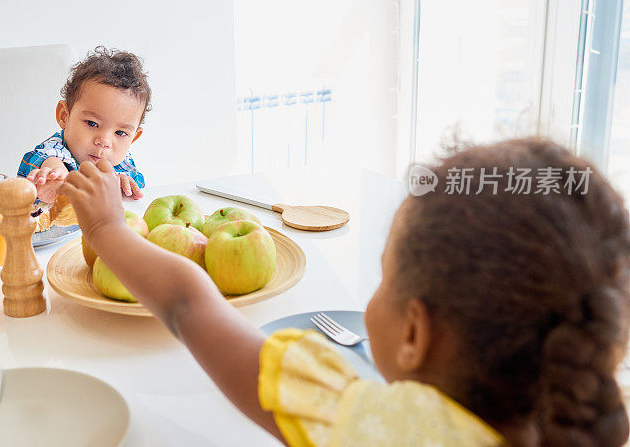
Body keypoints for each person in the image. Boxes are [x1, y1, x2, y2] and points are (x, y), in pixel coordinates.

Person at [59, 138, 630, 446]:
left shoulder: (378, 428)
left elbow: (190, 306)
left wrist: (108, 229)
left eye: (384, 278)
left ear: (414, 335)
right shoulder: (591, 420)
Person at [18, 46, 151, 202]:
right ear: (64, 116)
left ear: (133, 138)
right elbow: (51, 164)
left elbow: (137, 196)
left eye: (120, 133)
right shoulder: (55, 152)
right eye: (92, 123)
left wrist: (124, 186)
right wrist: (57, 179)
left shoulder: (121, 164)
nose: (104, 141)